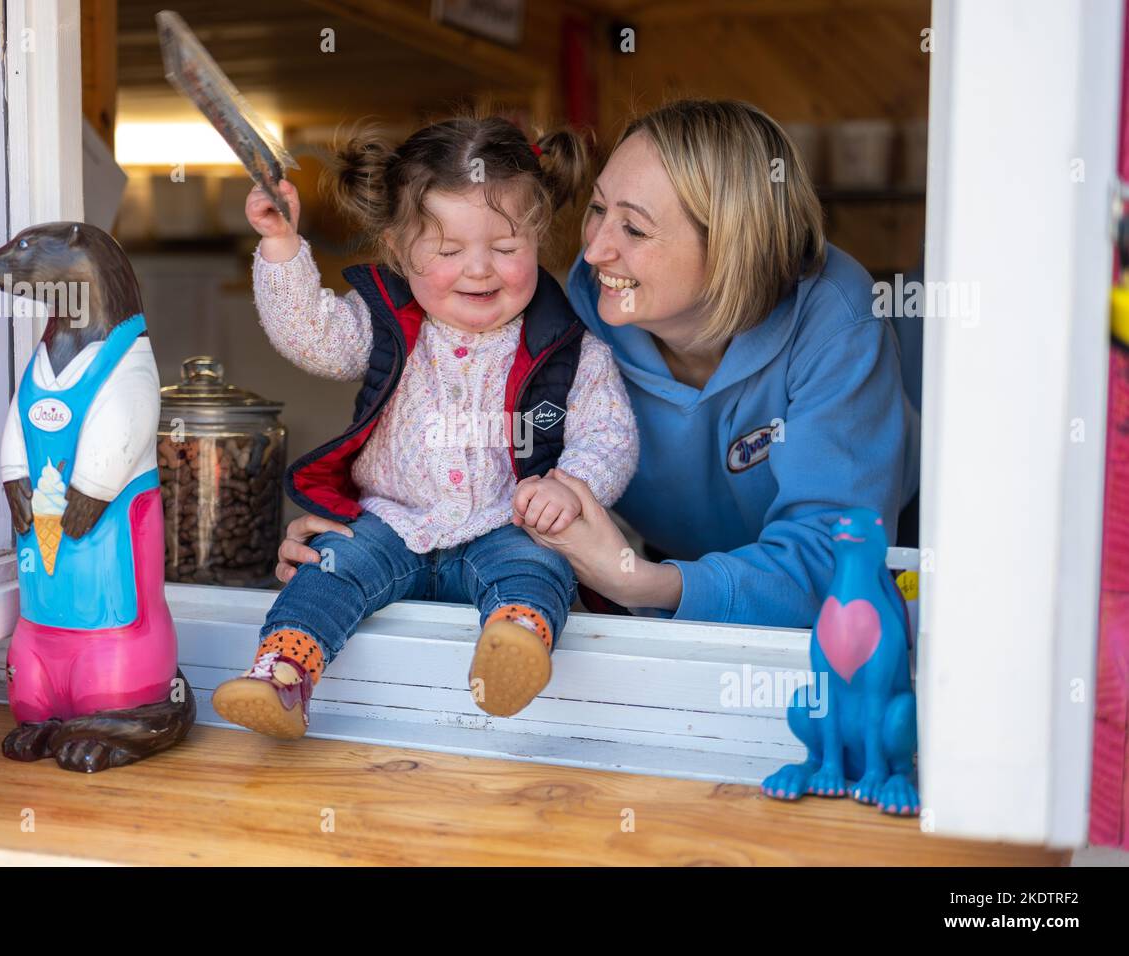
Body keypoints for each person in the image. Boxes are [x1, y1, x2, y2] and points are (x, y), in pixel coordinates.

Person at [275, 100, 919, 631]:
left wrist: (637, 579)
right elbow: (480, 463)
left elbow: (838, 569)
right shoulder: (576, 311)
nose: (595, 248)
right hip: (678, 583)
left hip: (852, 604)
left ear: (732, 246)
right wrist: (368, 534)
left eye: (634, 230)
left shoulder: (835, 319)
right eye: (596, 209)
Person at [212, 116, 639, 739]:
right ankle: (283, 675)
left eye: (506, 248)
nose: (479, 270)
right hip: (392, 521)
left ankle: (514, 645)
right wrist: (280, 245)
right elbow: (312, 336)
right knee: (327, 569)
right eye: (448, 251)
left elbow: (610, 438)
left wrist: (569, 487)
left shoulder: (569, 349)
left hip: (505, 522)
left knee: (539, 567)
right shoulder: (387, 324)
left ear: (539, 239)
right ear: (396, 250)